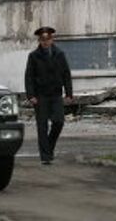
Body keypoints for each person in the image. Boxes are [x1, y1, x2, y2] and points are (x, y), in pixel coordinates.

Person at [24, 26, 73, 165]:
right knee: (42, 126)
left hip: (56, 94)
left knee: (59, 122)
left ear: (52, 39)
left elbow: (66, 74)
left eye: (48, 39)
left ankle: (49, 147)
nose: (45, 42)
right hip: (41, 96)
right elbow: (29, 77)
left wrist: (69, 93)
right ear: (39, 40)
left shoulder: (59, 54)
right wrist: (31, 95)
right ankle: (45, 157)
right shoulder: (33, 56)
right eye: (43, 39)